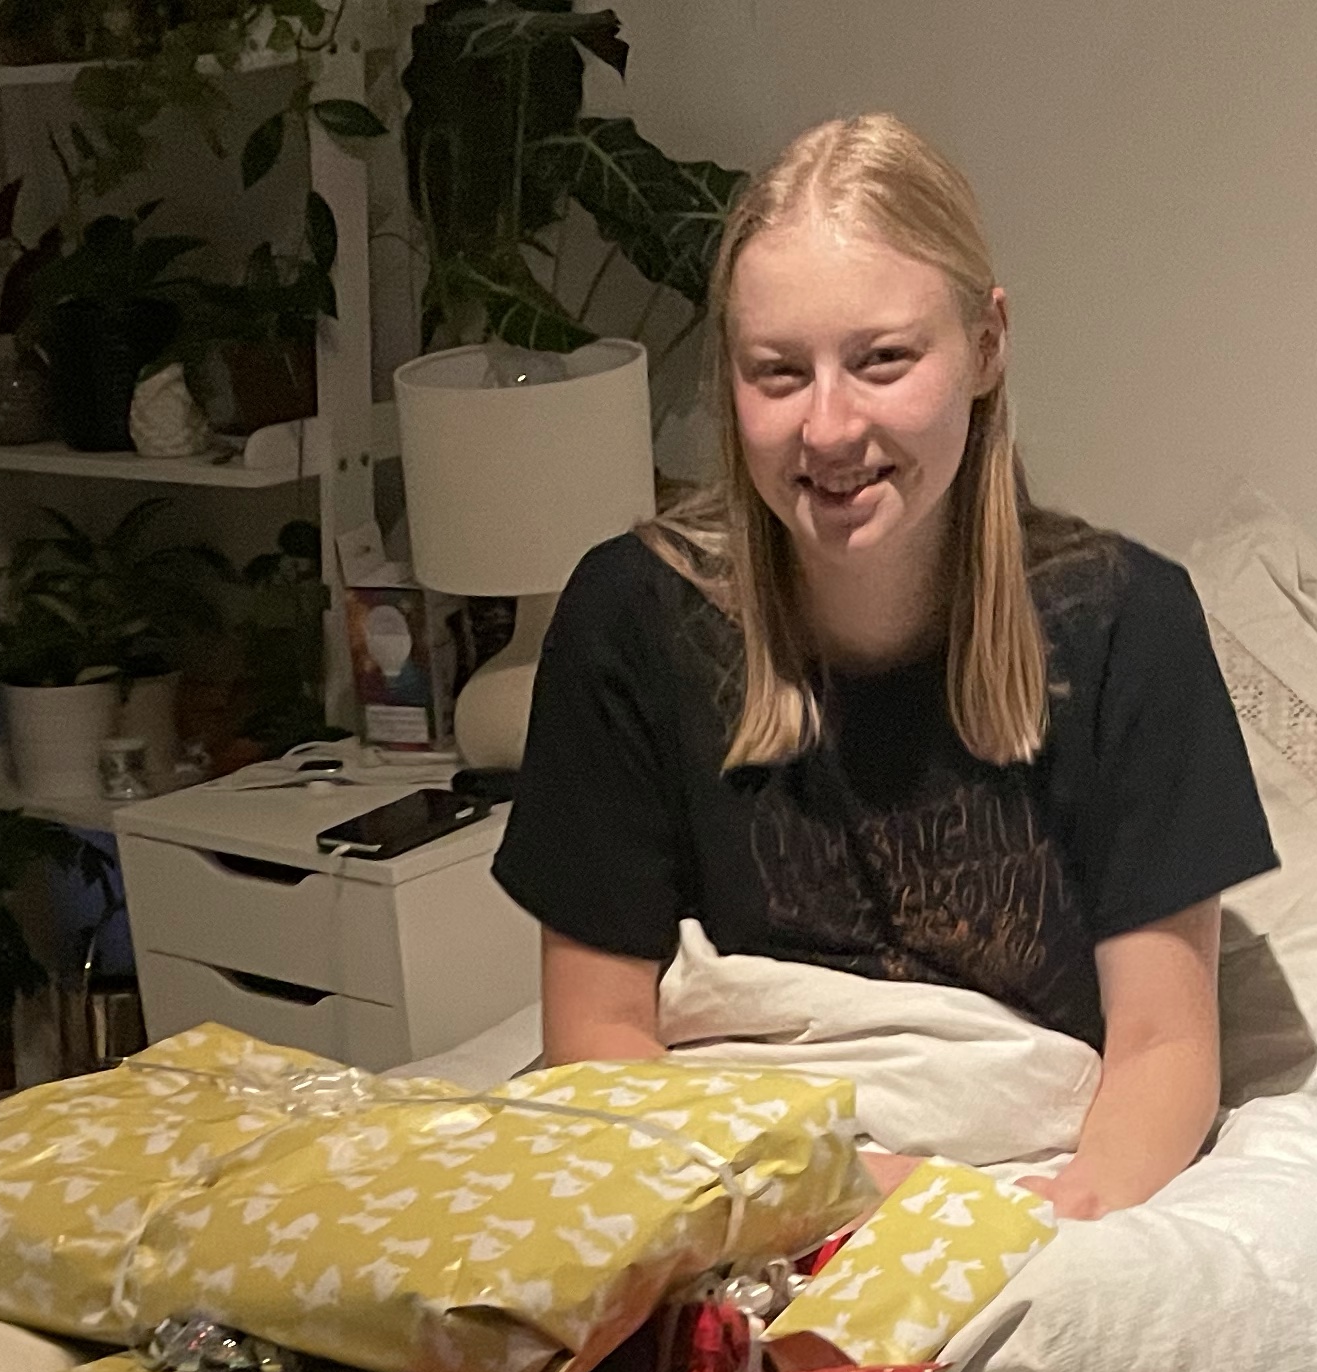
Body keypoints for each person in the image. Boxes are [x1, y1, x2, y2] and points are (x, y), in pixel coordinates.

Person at [490, 113, 1276, 1217]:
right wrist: (834, 1195)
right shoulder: (632, 616)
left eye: (882, 360)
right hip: (712, 1166)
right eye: (777, 373)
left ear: (986, 346)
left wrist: (1055, 1221)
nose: (827, 428)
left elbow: (1162, 1045)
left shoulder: (1126, 626)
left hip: (1022, 1183)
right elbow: (600, 1040)